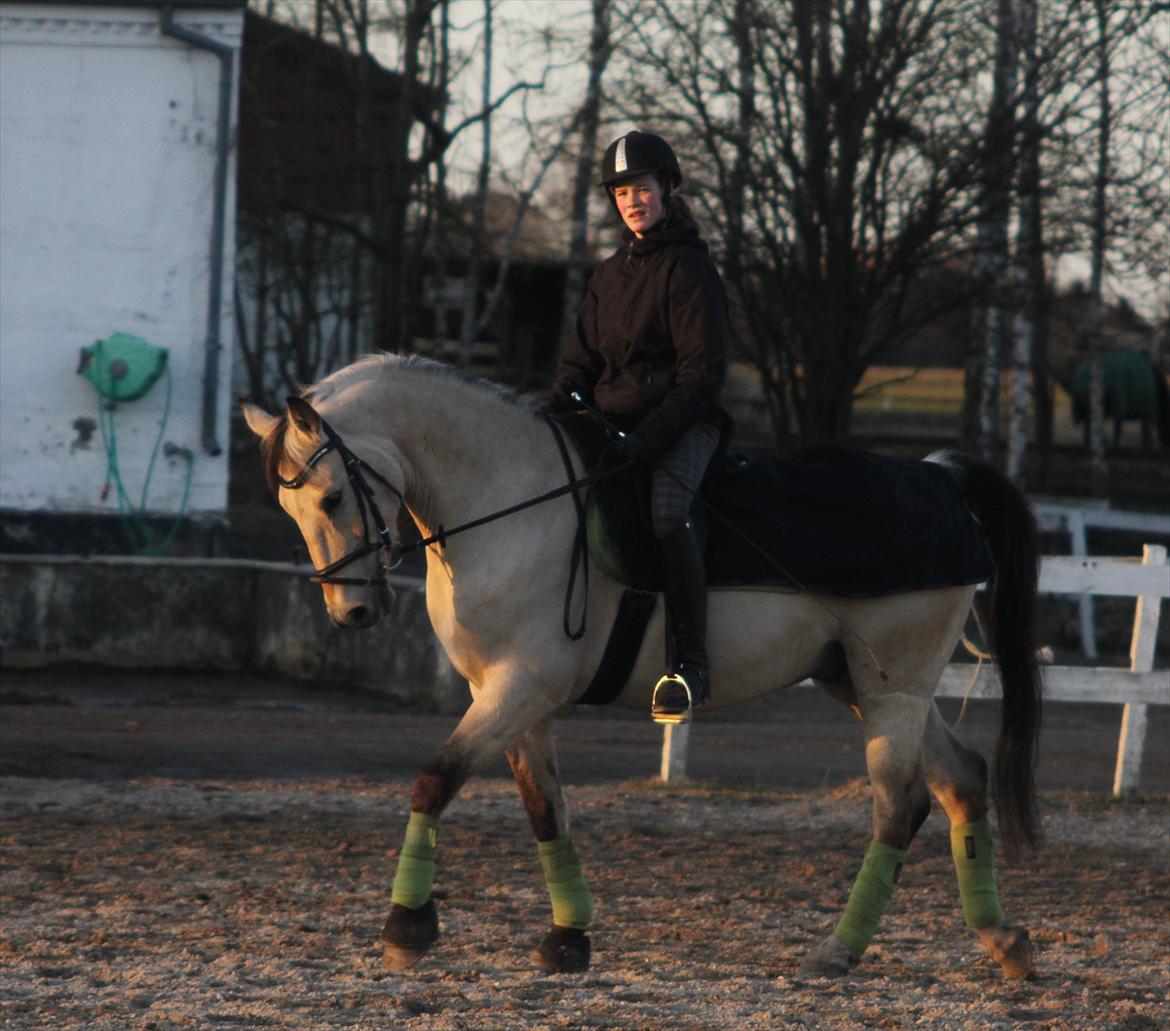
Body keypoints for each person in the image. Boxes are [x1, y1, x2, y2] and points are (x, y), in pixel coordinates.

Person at [545, 130, 730, 722]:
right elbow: (578, 365)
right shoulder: (607, 275)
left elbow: (702, 377)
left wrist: (646, 439)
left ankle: (690, 666)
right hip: (614, 424)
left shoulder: (690, 270)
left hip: (682, 424)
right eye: (622, 192)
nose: (632, 201)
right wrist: (553, 415)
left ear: (668, 190)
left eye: (642, 189)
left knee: (667, 510)